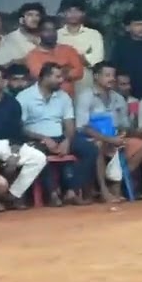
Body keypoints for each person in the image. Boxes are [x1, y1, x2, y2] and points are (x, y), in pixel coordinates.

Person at [18, 62, 98, 206]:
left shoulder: (63, 97)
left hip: (60, 136)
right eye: (57, 77)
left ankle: (71, 191)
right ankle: (53, 194)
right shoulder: (25, 97)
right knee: (39, 155)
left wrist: (67, 140)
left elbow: (69, 123)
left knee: (90, 149)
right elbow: (20, 128)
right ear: (45, 77)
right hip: (35, 138)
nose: (62, 80)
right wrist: (44, 138)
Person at [0, 64, 46, 207]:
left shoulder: (13, 103)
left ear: (4, 82)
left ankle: (12, 195)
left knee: (39, 158)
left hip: (8, 144)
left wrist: (15, 153)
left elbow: (17, 132)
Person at [76, 62, 142, 202]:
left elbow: (124, 125)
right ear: (96, 76)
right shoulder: (86, 96)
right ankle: (104, 190)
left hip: (114, 138)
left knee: (141, 145)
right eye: (107, 75)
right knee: (97, 146)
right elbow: (82, 127)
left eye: (113, 75)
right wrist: (108, 139)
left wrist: (122, 134)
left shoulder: (118, 98)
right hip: (92, 138)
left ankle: (115, 183)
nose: (112, 79)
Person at [25, 18, 85, 97]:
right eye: (47, 30)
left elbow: (79, 72)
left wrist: (53, 74)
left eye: (53, 30)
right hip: (44, 100)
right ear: (39, 33)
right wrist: (66, 70)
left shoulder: (69, 50)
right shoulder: (33, 55)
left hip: (68, 100)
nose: (51, 33)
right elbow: (42, 77)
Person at [57, 0, 104, 93]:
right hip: (61, 85)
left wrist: (69, 58)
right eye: (69, 11)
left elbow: (97, 61)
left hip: (87, 85)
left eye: (77, 11)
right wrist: (82, 57)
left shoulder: (94, 34)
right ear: (63, 13)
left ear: (83, 13)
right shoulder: (56, 35)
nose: (73, 14)